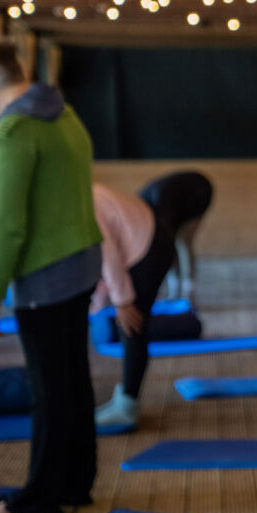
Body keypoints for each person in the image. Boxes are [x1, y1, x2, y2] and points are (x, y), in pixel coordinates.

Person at [0, 39, 102, 513]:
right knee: (73, 381)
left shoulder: (14, 132)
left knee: (48, 391)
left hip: (45, 278)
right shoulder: (64, 115)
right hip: (82, 264)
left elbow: (8, 224)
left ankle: (36, 499)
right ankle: (76, 483)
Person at [90, 183, 177, 428]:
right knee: (130, 321)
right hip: (144, 237)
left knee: (132, 322)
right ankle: (126, 396)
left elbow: (107, 253)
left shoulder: (82, 202)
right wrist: (99, 303)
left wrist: (122, 300)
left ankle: (128, 404)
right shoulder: (76, 193)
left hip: (148, 245)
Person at [137, 170, 213, 302]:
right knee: (168, 243)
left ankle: (188, 291)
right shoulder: (147, 204)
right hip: (178, 205)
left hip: (198, 196)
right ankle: (174, 288)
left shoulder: (158, 202)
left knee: (182, 242)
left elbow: (165, 239)